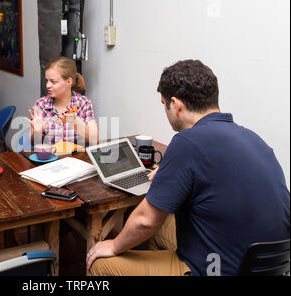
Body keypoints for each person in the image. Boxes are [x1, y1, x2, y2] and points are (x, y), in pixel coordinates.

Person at [86, 60, 290, 276]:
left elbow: (145, 221)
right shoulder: (252, 138)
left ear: (175, 104)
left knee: (100, 264)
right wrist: (168, 178)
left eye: (164, 104)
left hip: (216, 269)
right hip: (267, 265)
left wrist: (114, 245)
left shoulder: (187, 141)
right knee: (162, 227)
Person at [26, 57, 99, 145]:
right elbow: (33, 143)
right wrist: (37, 132)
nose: (48, 85)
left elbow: (94, 139)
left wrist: (75, 122)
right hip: (51, 157)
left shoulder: (84, 103)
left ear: (69, 82)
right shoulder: (41, 104)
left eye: (53, 81)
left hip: (76, 157)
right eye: (47, 81)